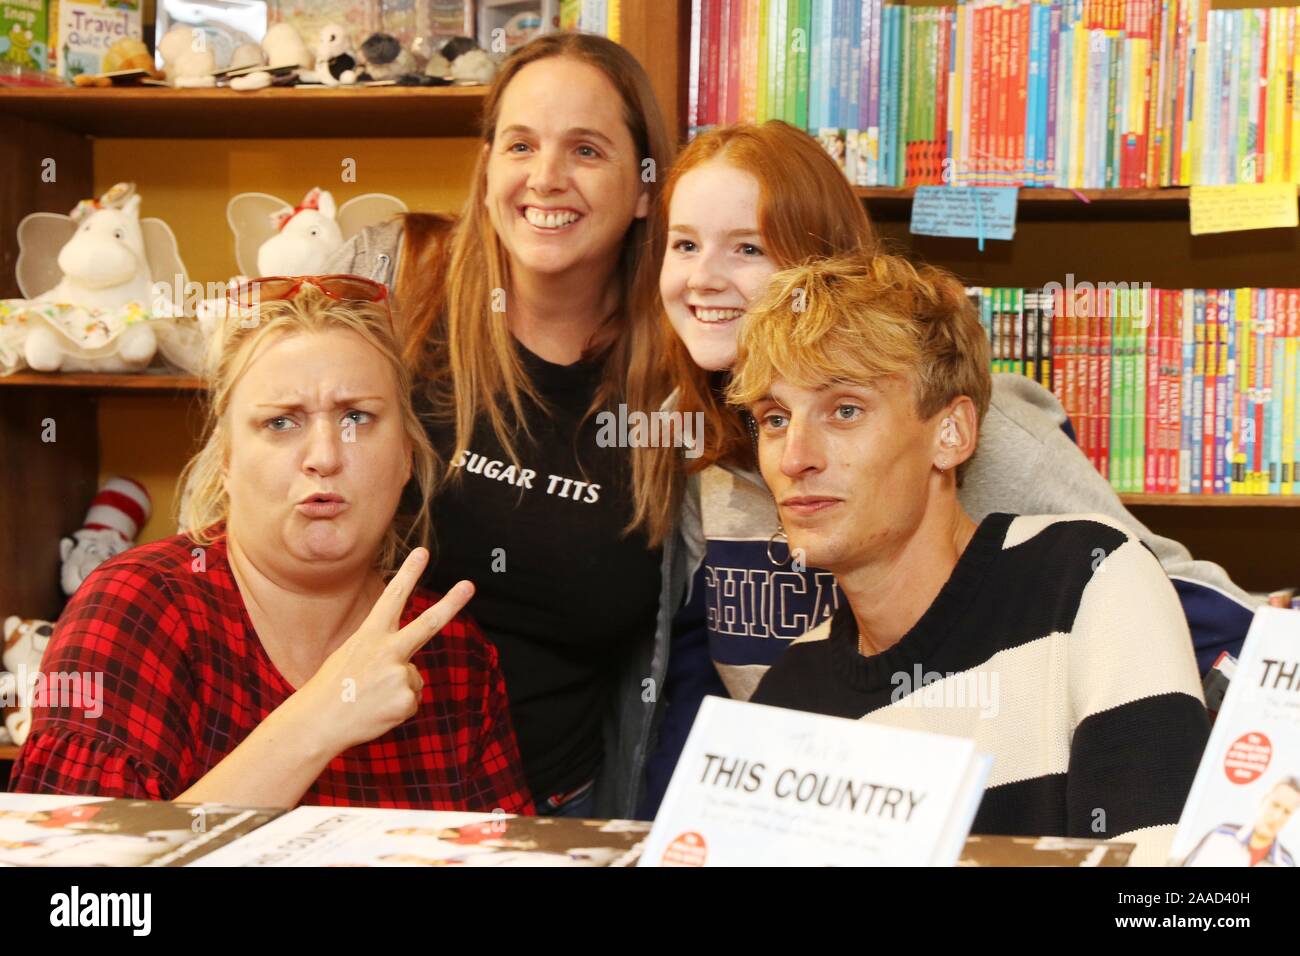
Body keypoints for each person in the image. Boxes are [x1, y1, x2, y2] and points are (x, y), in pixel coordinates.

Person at [730, 253, 1210, 866]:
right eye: (774, 419)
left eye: (844, 410)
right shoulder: (787, 699)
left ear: (951, 432)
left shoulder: (1088, 577)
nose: (795, 456)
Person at [326, 34, 684, 819]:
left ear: (647, 189)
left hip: (553, 810)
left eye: (586, 150)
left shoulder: (681, 380)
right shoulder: (397, 296)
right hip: (342, 794)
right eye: (520, 144)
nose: (546, 178)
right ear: (488, 167)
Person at [11, 276, 532, 814]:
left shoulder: (452, 652)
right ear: (228, 460)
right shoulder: (132, 609)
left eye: (356, 417)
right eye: (280, 422)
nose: (325, 456)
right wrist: (319, 720)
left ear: (405, 455)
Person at [1182, 777, 1299, 866]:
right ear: (1263, 800)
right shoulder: (1220, 835)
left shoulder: (1286, 863)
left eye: (1287, 812)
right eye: (1275, 805)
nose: (1277, 817)